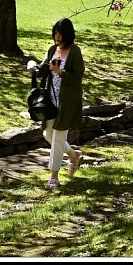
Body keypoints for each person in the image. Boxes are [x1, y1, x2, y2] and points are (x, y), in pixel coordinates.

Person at [27, 18, 85, 191]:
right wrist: (33, 68)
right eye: (55, 33)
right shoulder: (53, 50)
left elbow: (77, 77)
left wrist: (61, 72)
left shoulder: (74, 51)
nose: (57, 37)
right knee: (47, 134)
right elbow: (44, 69)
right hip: (50, 100)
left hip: (67, 102)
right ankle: (74, 155)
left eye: (61, 34)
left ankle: (54, 177)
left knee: (58, 138)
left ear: (68, 34)